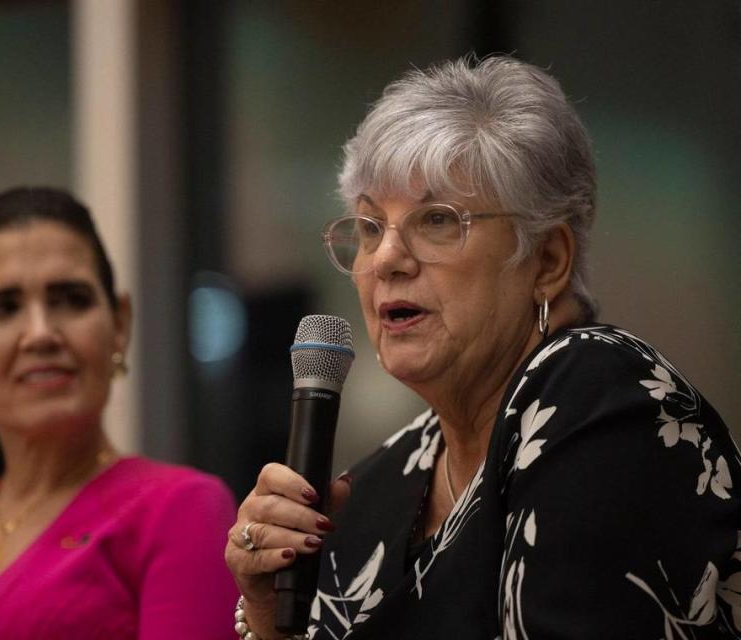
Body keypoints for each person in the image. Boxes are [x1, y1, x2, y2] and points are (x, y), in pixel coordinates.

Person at [225, 55, 741, 639]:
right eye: (370, 227)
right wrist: (271, 618)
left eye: (437, 220)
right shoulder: (373, 486)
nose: (386, 258)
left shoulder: (601, 395)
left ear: (547, 260)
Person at [0, 187, 238, 639]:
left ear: (119, 324)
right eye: (2, 308)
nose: (40, 334)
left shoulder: (180, 511)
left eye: (71, 299)